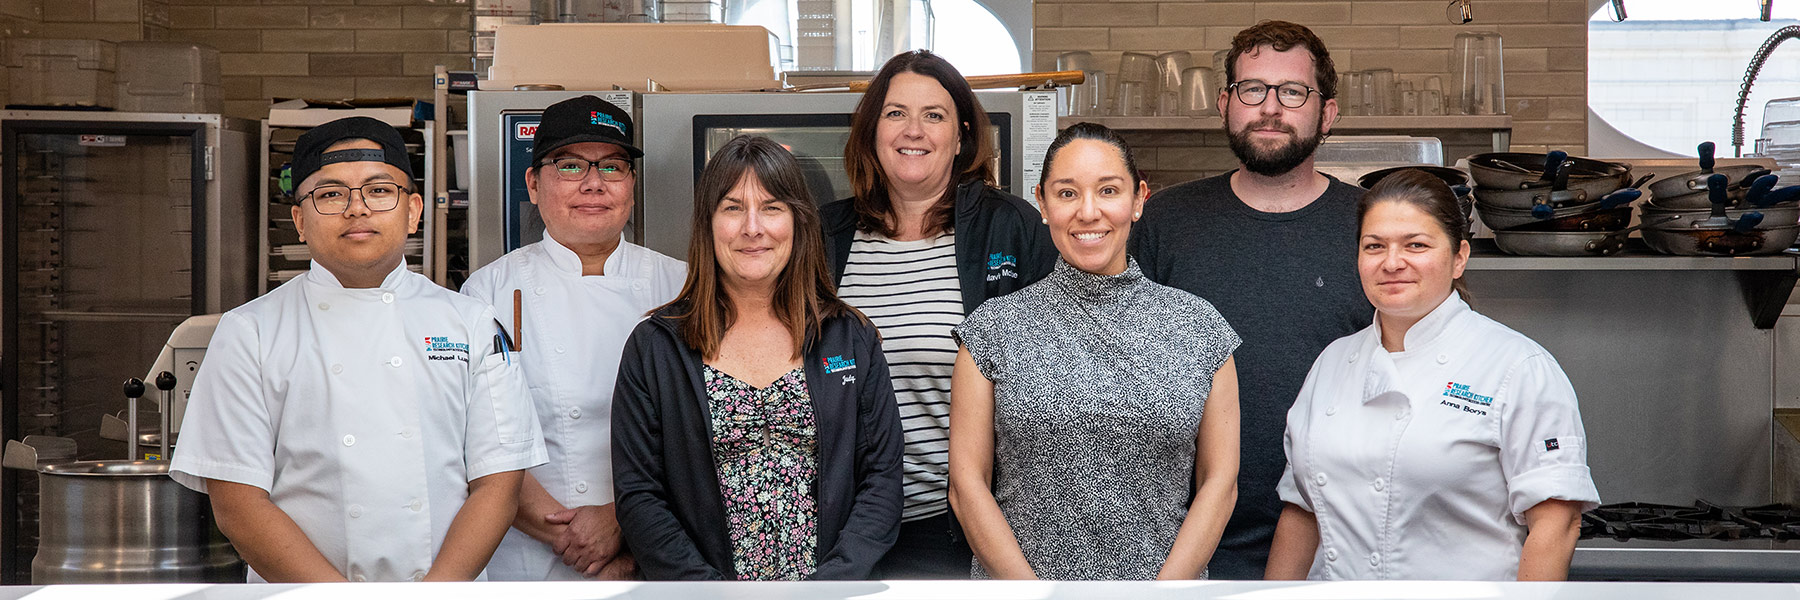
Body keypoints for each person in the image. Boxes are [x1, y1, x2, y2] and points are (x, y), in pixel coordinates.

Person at [169, 117, 547, 582]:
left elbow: (498, 483)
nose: (357, 209)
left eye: (378, 190)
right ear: (299, 221)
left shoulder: (470, 323)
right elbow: (239, 505)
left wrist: (434, 597)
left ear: (412, 211)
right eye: (330, 194)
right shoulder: (249, 332)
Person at [1126, 20, 1373, 580]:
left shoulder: (1372, 226)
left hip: (1341, 547)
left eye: (1292, 92)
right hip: (1179, 547)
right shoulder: (1164, 221)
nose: (1270, 108)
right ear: (1225, 103)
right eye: (1252, 89)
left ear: (1327, 113)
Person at [1265, 169, 1599, 581]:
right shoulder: (1333, 362)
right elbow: (1302, 514)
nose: (1391, 262)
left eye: (1416, 245)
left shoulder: (1517, 367)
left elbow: (1556, 524)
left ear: (1459, 257)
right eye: (1374, 246)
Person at [946, 123, 1241, 580]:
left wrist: (1160, 597)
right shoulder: (992, 330)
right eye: (1067, 194)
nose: (1088, 212)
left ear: (1139, 199)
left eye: (1108, 190)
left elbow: (1220, 484)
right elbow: (967, 488)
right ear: (1042, 203)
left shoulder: (1201, 328)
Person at [612, 135, 904, 581]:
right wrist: (707, 594)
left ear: (798, 222)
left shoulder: (848, 338)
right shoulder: (656, 347)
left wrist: (829, 589)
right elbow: (639, 496)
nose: (753, 227)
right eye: (732, 208)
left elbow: (882, 480)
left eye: (771, 207)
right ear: (708, 224)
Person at [822, 49, 1057, 579]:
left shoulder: (1010, 227)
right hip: (841, 525)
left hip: (961, 528)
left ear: (961, 136)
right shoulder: (825, 235)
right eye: (895, 113)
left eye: (934, 115)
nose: (914, 130)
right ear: (871, 132)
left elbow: (1059, 368)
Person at [461, 95, 686, 580]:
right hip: (525, 556)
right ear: (534, 184)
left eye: (613, 166)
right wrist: (570, 534)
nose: (593, 184)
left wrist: (623, 526)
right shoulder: (486, 292)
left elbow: (707, 436)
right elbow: (476, 438)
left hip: (651, 557)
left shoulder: (683, 288)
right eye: (570, 165)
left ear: (631, 184)